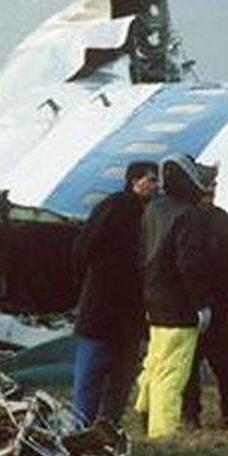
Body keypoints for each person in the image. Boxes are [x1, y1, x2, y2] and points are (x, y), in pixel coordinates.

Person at [69, 162, 158, 434]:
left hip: (118, 306)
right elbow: (84, 248)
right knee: (97, 372)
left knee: (115, 374)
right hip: (108, 303)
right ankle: (84, 427)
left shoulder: (134, 209)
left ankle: (102, 429)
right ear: (135, 180)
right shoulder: (118, 207)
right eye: (150, 180)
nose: (155, 185)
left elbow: (83, 248)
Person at [135, 154, 216, 438]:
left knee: (154, 363)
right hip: (179, 306)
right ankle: (163, 431)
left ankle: (144, 412)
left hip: (154, 301)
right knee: (172, 370)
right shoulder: (188, 215)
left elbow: (142, 255)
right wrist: (201, 304)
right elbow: (189, 264)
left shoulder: (153, 209)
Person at [181, 164, 228, 429]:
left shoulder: (183, 215)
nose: (213, 191)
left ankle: (191, 414)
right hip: (217, 303)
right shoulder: (218, 218)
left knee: (189, 366)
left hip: (191, 304)